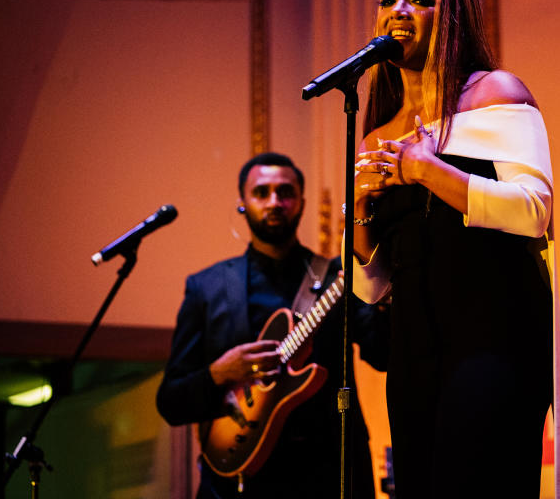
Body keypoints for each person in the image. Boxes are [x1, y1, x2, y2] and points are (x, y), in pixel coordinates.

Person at [347, 0, 557, 499]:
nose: (399, 10)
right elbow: (371, 287)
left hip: (495, 337)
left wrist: (430, 171)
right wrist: (362, 212)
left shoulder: (496, 94)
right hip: (414, 350)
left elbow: (534, 210)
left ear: (455, 16)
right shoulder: (378, 133)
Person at [156, 152, 390, 498]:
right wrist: (220, 373)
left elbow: (384, 353)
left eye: (285, 192)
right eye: (261, 192)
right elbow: (171, 402)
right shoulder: (206, 288)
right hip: (238, 482)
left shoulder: (336, 277)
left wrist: (383, 287)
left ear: (302, 202)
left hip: (326, 474)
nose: (275, 202)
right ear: (243, 203)